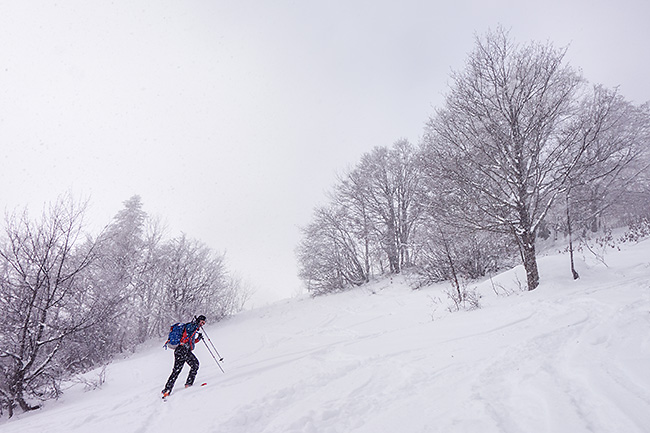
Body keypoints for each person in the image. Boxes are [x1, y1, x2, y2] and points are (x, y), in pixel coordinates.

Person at [161, 315, 206, 398]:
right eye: (202, 322)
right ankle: (168, 389)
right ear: (199, 320)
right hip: (181, 350)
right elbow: (188, 329)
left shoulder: (193, 329)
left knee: (194, 365)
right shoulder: (191, 326)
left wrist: (198, 339)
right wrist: (196, 324)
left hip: (184, 350)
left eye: (204, 323)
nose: (202, 324)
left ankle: (185, 385)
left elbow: (189, 341)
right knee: (178, 370)